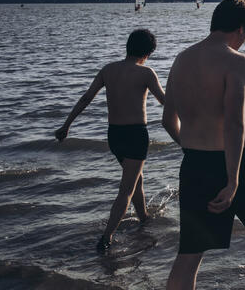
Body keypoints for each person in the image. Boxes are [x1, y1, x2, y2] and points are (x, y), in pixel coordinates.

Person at [163, 0, 245, 290]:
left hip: (195, 164)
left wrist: (193, 148)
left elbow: (168, 121)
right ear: (241, 29)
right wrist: (232, 181)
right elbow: (233, 122)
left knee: (190, 253)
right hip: (240, 163)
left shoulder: (181, 59)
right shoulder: (237, 61)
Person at [54, 29, 165, 253]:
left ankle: (144, 218)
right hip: (135, 135)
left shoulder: (108, 70)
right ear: (148, 52)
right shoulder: (146, 73)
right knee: (126, 189)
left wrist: (66, 125)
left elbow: (86, 97)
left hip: (114, 135)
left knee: (136, 180)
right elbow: (166, 102)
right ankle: (106, 238)